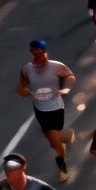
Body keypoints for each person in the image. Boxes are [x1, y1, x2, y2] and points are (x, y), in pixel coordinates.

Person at [17, 38, 75, 182]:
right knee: (54, 142)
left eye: (41, 54)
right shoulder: (27, 69)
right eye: (35, 54)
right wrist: (31, 92)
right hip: (41, 110)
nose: (39, 57)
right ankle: (63, 167)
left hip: (56, 108)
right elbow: (21, 89)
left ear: (44, 52)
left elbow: (70, 76)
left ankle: (66, 135)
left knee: (55, 139)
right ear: (31, 52)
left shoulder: (56, 66)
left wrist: (66, 88)